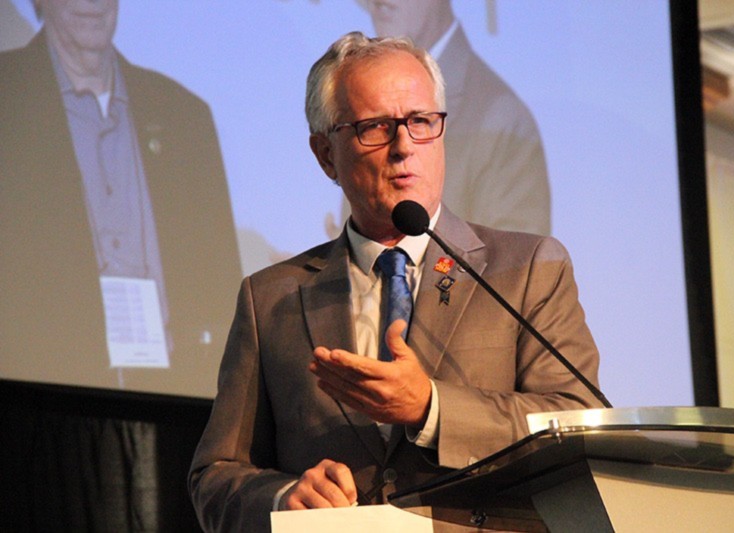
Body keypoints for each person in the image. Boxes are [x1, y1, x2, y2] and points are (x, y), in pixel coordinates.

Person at [189, 32, 601, 531]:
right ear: (325, 154)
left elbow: (577, 422)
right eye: (375, 128)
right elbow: (216, 476)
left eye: (421, 122)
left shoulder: (528, 269)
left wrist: (430, 408)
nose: (404, 147)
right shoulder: (270, 298)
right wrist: (283, 497)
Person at [0, 0, 241, 396]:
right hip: (40, 395)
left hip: (179, 393)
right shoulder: (9, 94)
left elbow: (219, 280)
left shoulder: (184, 113)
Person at [338, 0, 551, 236]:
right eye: (376, 126)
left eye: (419, 121)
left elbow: (513, 256)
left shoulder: (503, 118)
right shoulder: (351, 98)